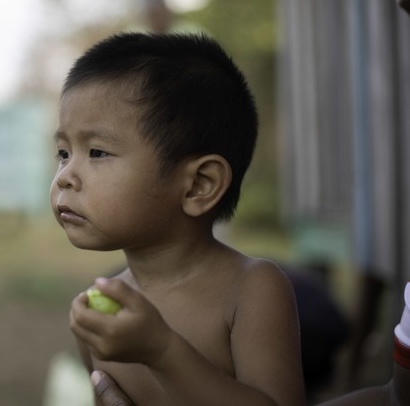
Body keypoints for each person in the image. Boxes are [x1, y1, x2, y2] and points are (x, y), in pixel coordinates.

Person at [50, 32, 305, 405]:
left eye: (98, 152)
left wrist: (162, 351)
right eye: (62, 152)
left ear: (199, 185)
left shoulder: (251, 290)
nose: (64, 176)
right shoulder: (101, 313)